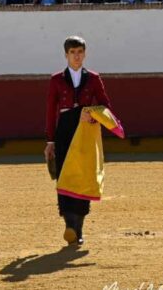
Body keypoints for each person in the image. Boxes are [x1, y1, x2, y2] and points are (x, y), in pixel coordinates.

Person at [44, 36, 113, 246]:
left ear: (85, 54)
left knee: (82, 177)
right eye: (73, 52)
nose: (77, 56)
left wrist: (91, 114)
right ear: (66, 55)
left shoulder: (93, 78)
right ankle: (69, 226)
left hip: (84, 130)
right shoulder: (56, 79)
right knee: (65, 175)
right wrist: (50, 141)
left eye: (80, 52)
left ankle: (79, 229)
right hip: (64, 130)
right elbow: (50, 111)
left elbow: (105, 104)